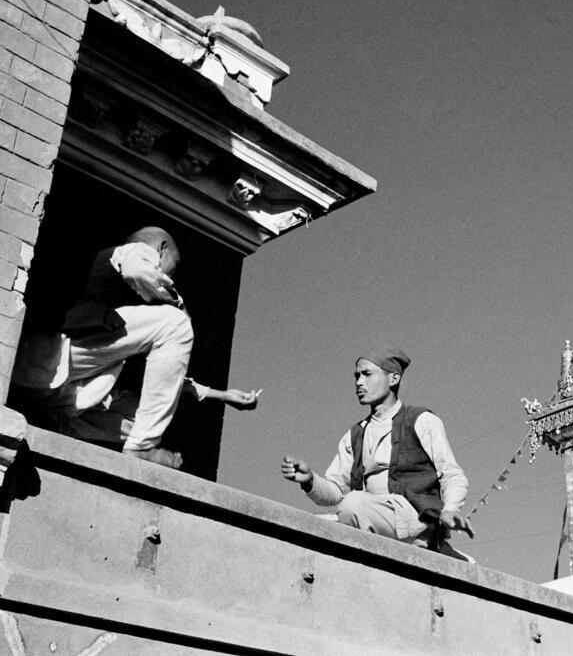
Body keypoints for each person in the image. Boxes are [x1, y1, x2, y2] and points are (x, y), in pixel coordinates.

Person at [12, 226, 259, 468]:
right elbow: (137, 269)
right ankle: (141, 446)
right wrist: (176, 302)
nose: (173, 277)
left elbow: (169, 379)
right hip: (53, 354)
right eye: (175, 264)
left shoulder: (135, 317)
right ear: (161, 249)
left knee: (144, 415)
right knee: (176, 324)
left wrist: (223, 395)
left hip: (52, 386)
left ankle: (56, 425)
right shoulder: (133, 251)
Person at [281, 347, 474, 558]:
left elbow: (451, 474)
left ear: (393, 378)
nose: (359, 382)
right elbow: (336, 491)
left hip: (413, 518)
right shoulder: (355, 434)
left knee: (353, 504)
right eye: (357, 376)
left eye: (367, 374)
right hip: (369, 515)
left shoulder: (421, 420)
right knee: (307, 527)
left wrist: (450, 509)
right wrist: (310, 481)